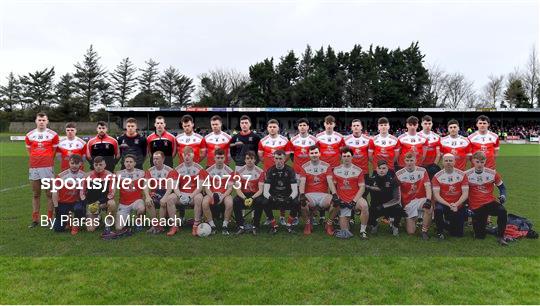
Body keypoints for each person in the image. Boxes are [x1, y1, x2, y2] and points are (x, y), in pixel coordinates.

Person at [465, 151, 508, 246]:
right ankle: (486, 229)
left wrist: (503, 195)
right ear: (472, 161)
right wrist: (466, 206)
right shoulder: (466, 175)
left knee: (502, 211)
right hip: (476, 206)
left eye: (482, 162)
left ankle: (501, 236)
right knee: (480, 237)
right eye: (477, 162)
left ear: (485, 162)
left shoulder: (492, 173)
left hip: (489, 202)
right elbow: (463, 192)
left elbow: (502, 187)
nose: (479, 164)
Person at [26, 112, 59, 227]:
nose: (41, 122)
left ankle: (50, 219)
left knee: (49, 194)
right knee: (36, 194)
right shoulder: (29, 135)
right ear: (36, 121)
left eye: (43, 120)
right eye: (39, 120)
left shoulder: (53, 135)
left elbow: (54, 152)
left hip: (47, 167)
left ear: (47, 121)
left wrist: (47, 161)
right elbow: (29, 151)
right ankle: (35, 219)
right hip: (34, 167)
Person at [328, 146, 369, 239]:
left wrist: (354, 201)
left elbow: (362, 187)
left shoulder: (358, 170)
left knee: (364, 205)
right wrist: (338, 199)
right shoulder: (336, 170)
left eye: (348, 156)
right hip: (342, 200)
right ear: (341, 157)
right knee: (345, 232)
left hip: (354, 198)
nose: (346, 158)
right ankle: (336, 221)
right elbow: (333, 187)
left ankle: (363, 231)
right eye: (344, 156)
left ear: (352, 157)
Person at [395, 152, 432, 240]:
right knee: (411, 232)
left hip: (420, 199)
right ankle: (410, 219)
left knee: (429, 207)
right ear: (404, 161)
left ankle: (424, 231)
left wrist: (428, 200)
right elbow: (397, 192)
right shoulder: (399, 174)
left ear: (415, 160)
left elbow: (427, 186)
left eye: (411, 160)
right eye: (407, 160)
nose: (409, 162)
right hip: (408, 203)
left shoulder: (422, 171)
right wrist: (399, 206)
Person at [170, 147, 207, 236]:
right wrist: (180, 196)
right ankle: (174, 226)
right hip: (181, 194)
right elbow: (175, 186)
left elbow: (200, 187)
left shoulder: (199, 168)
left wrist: (190, 196)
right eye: (185, 155)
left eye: (189, 155)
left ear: (193, 156)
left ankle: (195, 225)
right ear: (182, 156)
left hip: (194, 195)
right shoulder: (178, 169)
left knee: (199, 198)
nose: (186, 157)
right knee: (170, 198)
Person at [298, 146, 334, 235]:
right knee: (301, 203)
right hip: (310, 195)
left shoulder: (326, 166)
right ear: (309, 155)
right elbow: (302, 182)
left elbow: (330, 182)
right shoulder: (304, 166)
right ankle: (307, 223)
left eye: (316, 153)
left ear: (319, 154)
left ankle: (329, 223)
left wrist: (334, 194)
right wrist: (302, 194)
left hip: (323, 195)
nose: (314, 155)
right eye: (312, 153)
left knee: (336, 203)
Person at [432, 153, 469, 240]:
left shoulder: (462, 175)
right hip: (443, 203)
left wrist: (456, 204)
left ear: (454, 162)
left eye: (450, 160)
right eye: (446, 160)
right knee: (438, 209)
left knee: (457, 234)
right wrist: (449, 205)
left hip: (458, 204)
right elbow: (436, 196)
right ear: (442, 162)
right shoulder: (437, 176)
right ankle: (439, 232)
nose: (448, 162)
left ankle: (446, 224)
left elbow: (465, 193)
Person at [261, 150, 299, 234]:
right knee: (264, 202)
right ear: (273, 159)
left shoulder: (290, 170)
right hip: (275, 196)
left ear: (284, 159)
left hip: (287, 196)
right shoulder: (270, 171)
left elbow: (295, 190)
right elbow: (265, 191)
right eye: (276, 158)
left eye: (280, 158)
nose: (278, 161)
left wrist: (290, 198)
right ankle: (274, 225)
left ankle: (289, 225)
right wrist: (271, 197)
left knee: (296, 202)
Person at [80, 156, 117, 235]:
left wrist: (99, 202)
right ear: (93, 165)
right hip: (92, 204)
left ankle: (108, 223)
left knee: (112, 203)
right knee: (90, 229)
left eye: (100, 164)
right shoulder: (87, 176)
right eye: (96, 165)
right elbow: (82, 192)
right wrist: (87, 203)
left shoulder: (110, 176)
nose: (98, 167)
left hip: (104, 203)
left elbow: (112, 193)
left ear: (105, 165)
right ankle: (98, 218)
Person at [143, 151, 177, 234]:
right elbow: (146, 185)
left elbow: (170, 188)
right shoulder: (150, 170)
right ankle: (155, 225)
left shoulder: (169, 170)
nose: (155, 161)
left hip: (166, 193)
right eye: (154, 159)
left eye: (157, 159)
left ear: (163, 159)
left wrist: (165, 197)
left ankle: (160, 226)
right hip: (155, 193)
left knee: (163, 202)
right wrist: (147, 196)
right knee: (148, 202)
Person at [202, 148, 235, 235]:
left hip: (224, 194)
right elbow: (206, 188)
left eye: (221, 158)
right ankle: (212, 225)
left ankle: (225, 225)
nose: (220, 160)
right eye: (218, 158)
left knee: (230, 202)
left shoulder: (230, 171)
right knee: (204, 202)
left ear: (225, 158)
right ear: (214, 158)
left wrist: (222, 197)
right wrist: (213, 196)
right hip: (212, 194)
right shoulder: (208, 171)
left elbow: (230, 188)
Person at [233, 151, 266, 235]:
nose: (249, 160)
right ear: (245, 160)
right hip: (243, 194)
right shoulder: (239, 171)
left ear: (255, 160)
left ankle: (255, 226)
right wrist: (244, 198)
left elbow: (260, 190)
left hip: (255, 195)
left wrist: (252, 198)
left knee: (260, 201)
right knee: (236, 201)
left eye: (251, 158)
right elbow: (237, 189)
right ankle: (240, 226)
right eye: (247, 158)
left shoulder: (260, 172)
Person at [366, 160, 402, 236]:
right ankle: (374, 224)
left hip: (390, 206)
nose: (381, 170)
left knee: (399, 209)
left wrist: (383, 206)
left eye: (384, 168)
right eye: (379, 168)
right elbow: (364, 193)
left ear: (387, 169)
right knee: (367, 210)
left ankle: (395, 226)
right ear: (376, 169)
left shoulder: (393, 180)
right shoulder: (371, 180)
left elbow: (397, 199)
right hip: (376, 207)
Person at [51, 154, 85, 234]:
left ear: (81, 164)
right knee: (58, 229)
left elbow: (86, 192)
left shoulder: (84, 175)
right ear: (69, 163)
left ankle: (75, 225)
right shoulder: (61, 176)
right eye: (72, 163)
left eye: (76, 163)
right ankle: (68, 220)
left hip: (76, 202)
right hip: (63, 203)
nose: (74, 165)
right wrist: (56, 207)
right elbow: (54, 192)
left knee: (79, 209)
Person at [115, 155, 146, 234]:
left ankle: (138, 221)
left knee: (141, 208)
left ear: (135, 163)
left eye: (131, 162)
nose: (128, 164)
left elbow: (147, 185)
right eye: (127, 162)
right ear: (124, 163)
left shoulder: (141, 173)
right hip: (124, 203)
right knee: (118, 228)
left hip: (136, 201)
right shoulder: (118, 174)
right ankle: (126, 219)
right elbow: (112, 186)